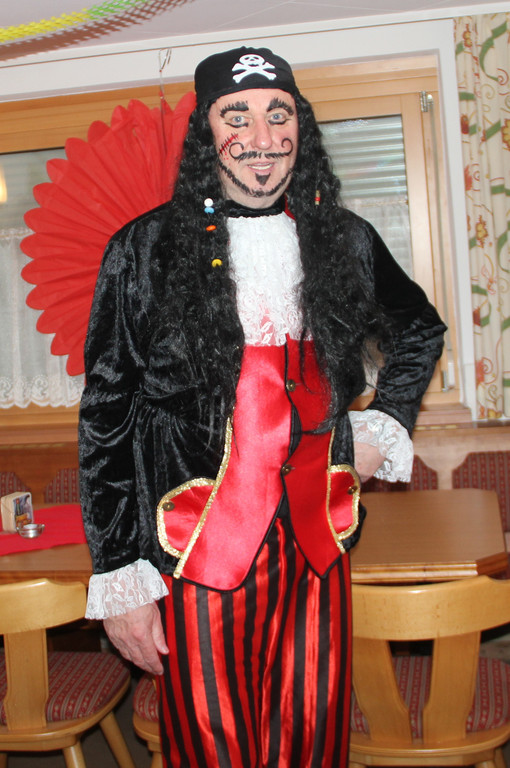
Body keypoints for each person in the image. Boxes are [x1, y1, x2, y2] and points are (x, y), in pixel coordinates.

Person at [79, 46, 446, 768]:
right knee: (212, 749)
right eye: (236, 116)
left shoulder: (345, 239)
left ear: (299, 127)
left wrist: (382, 424)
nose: (261, 136)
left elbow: (419, 330)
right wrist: (121, 578)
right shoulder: (144, 250)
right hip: (198, 554)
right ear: (207, 132)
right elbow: (107, 418)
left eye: (278, 115)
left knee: (314, 741)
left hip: (318, 550)